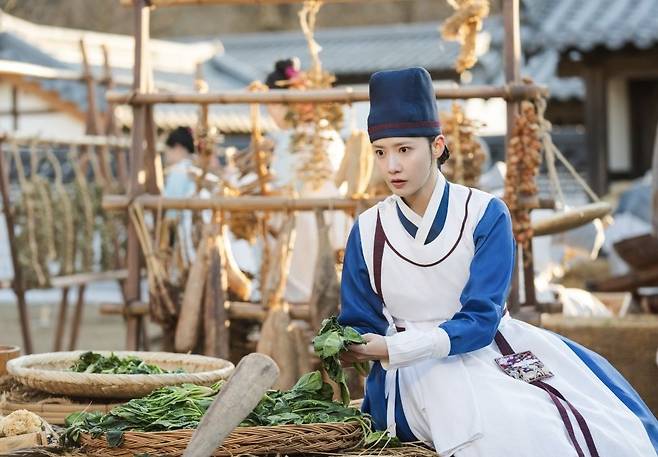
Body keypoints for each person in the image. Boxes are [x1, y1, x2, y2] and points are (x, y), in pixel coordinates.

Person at [338, 67, 657, 456]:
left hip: (488, 348)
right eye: (380, 152)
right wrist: (353, 345)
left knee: (566, 420)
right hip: (409, 374)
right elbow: (358, 323)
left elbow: (481, 320)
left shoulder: (485, 213)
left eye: (404, 150)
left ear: (437, 146)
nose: (391, 166)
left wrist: (392, 348)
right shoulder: (368, 229)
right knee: (498, 424)